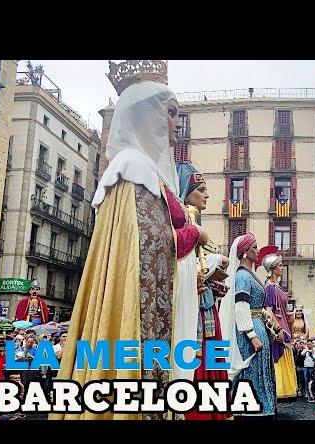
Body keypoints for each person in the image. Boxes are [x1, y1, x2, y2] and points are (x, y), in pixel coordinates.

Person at [51, 60, 207, 420]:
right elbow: (150, 246)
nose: (175, 123)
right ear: (145, 117)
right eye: (169, 113)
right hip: (141, 306)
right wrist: (195, 234)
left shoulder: (142, 169)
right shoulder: (133, 168)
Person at [176, 161, 231, 420]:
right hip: (193, 307)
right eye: (200, 189)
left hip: (206, 304)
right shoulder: (185, 224)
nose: (206, 195)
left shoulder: (195, 222)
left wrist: (212, 278)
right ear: (186, 191)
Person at [220, 233, 276, 418]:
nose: (257, 251)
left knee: (259, 370)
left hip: (257, 326)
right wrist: (252, 335)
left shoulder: (250, 275)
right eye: (254, 247)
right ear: (244, 252)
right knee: (250, 371)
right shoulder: (243, 276)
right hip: (249, 332)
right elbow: (241, 306)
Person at [256, 248, 297, 401]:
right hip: (279, 329)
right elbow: (268, 309)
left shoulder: (276, 287)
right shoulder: (270, 287)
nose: (282, 267)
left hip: (284, 326)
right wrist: (277, 328)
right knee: (276, 362)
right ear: (273, 268)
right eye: (280, 265)